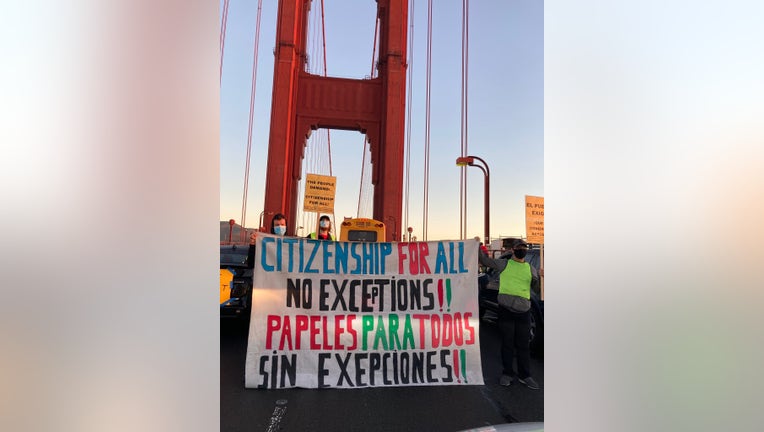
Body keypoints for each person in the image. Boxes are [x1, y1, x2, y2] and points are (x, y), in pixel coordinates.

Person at [478, 238, 541, 390]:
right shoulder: (504, 264)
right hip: (506, 311)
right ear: (513, 250)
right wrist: (478, 245)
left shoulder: (531, 269)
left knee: (523, 346)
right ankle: (507, 374)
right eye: (520, 247)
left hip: (524, 312)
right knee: (507, 344)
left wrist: (540, 278)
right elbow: (485, 261)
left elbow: (537, 289)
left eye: (524, 247)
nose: (522, 250)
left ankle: (525, 376)